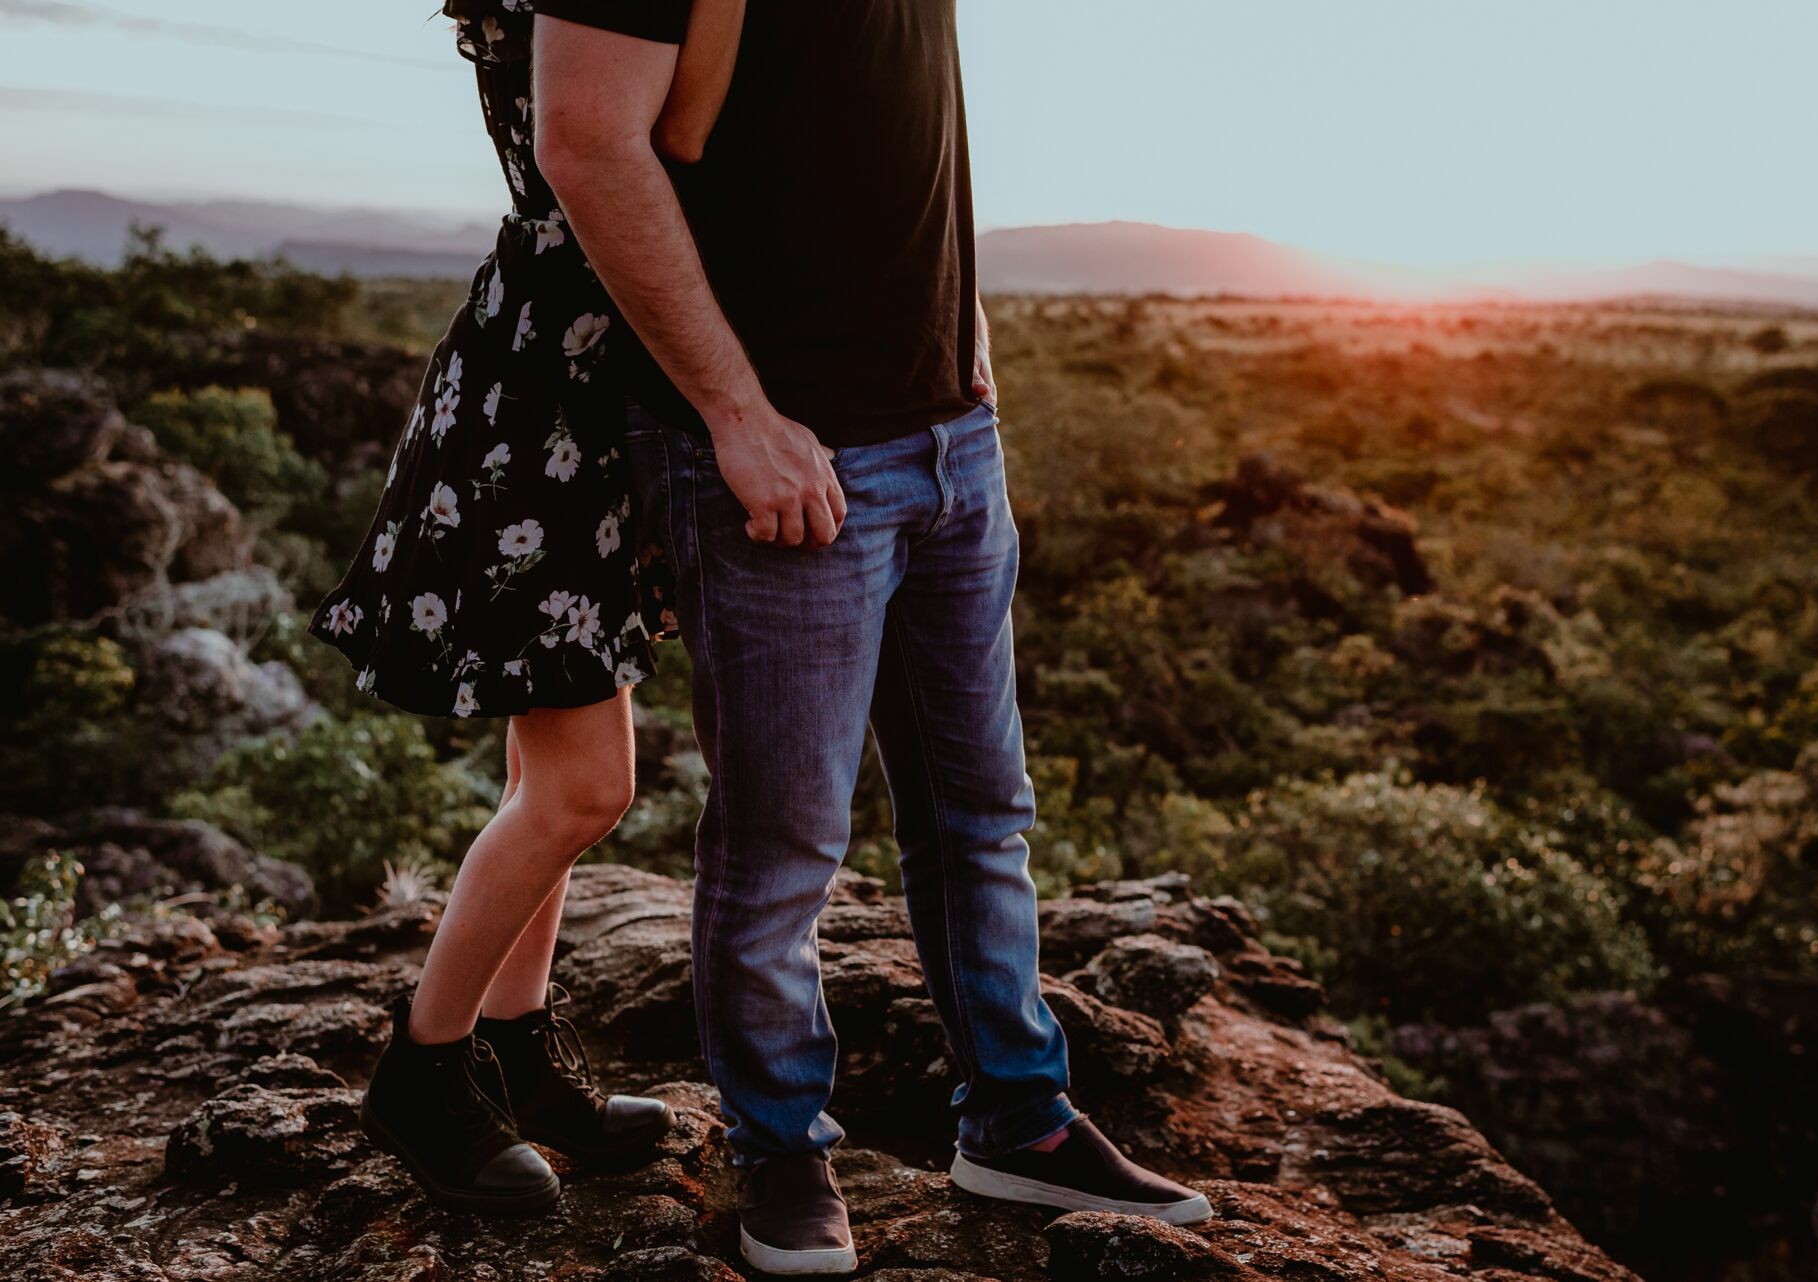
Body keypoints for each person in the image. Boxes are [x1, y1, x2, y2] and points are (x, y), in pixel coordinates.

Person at [530, 1, 1213, 1274]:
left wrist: (970, 352)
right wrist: (736, 413)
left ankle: (1019, 1117)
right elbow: (584, 136)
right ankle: (779, 1144)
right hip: (784, 454)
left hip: (953, 432)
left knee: (979, 811)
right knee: (786, 837)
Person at [305, 0, 746, 1215]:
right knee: (583, 786)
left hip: (558, 373)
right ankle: (424, 1064)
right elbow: (692, 131)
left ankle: (517, 1043)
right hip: (548, 395)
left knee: (544, 767)